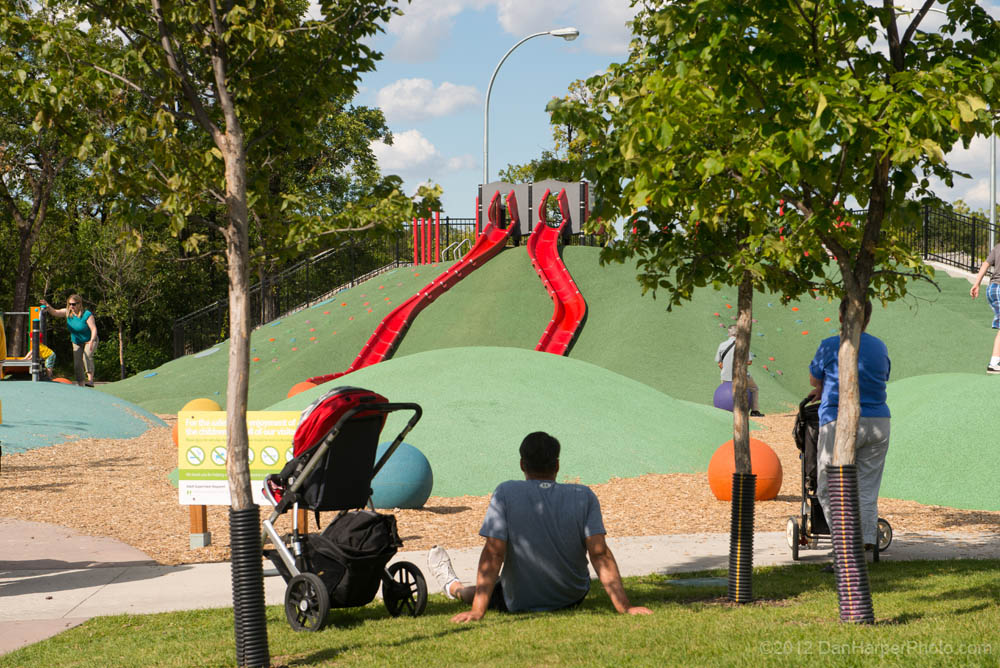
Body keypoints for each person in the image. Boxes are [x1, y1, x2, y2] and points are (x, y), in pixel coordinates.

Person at [427, 432, 653, 623]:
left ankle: (452, 587)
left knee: (480, 591)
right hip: (571, 596)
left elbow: (494, 553)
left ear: (522, 464)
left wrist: (477, 610)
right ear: (557, 465)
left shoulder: (506, 493)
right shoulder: (584, 496)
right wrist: (625, 607)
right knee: (500, 583)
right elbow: (599, 552)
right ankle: (457, 586)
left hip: (519, 600)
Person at [807, 299, 890, 554]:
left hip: (839, 420)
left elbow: (814, 378)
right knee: (866, 486)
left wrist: (822, 387)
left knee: (828, 484)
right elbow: (883, 376)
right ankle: (866, 540)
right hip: (878, 421)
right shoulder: (879, 346)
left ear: (841, 317)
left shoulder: (831, 345)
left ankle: (844, 543)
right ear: (868, 319)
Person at [40, 295, 98, 387]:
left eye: (74, 304)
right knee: (77, 363)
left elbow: (94, 329)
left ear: (79, 304)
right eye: (70, 304)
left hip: (90, 340)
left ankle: (90, 380)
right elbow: (55, 312)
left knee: (87, 356)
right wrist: (48, 306)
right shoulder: (68, 312)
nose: (71, 306)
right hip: (76, 341)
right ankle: (81, 384)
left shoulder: (86, 314)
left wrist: (91, 340)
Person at [715, 324, 764, 416]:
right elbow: (749, 362)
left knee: (724, 392)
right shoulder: (743, 344)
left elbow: (719, 362)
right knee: (754, 389)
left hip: (726, 377)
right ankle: (754, 411)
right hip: (741, 376)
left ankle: (722, 412)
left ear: (729, 334)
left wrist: (726, 369)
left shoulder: (722, 345)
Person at [970, 247, 1000, 373]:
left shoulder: (998, 247)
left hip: (992, 289)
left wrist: (977, 283)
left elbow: (985, 264)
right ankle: (994, 363)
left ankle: (995, 362)